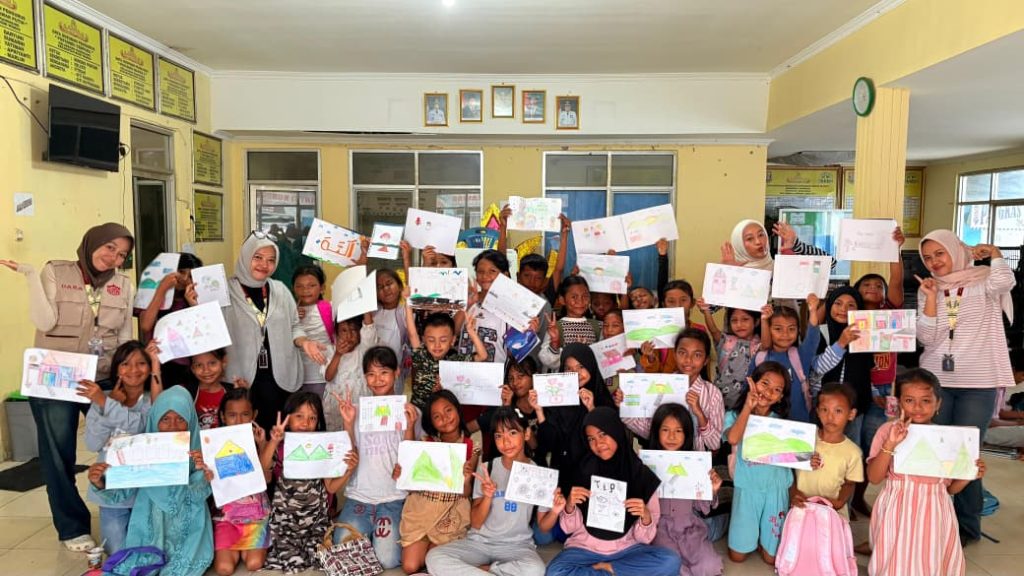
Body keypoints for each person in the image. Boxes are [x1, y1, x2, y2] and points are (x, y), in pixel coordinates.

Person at [1, 222, 135, 551]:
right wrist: (30, 276)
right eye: (110, 248)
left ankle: (123, 511)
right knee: (59, 454)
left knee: (120, 443)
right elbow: (45, 322)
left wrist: (125, 379)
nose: (114, 258)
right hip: (56, 377)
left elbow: (124, 336)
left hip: (102, 376)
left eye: (122, 254)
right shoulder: (56, 272)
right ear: (93, 243)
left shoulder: (123, 285)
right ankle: (72, 527)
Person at [915, 230, 1014, 543]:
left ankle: (967, 527)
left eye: (939, 253)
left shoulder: (983, 280)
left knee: (965, 454)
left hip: (977, 382)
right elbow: (926, 338)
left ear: (956, 250)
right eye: (927, 257)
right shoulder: (929, 287)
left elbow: (1005, 282)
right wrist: (931, 299)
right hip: (936, 381)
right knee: (936, 451)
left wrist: (995, 254)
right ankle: (934, 522)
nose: (934, 262)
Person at [866, 368, 986, 576]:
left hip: (935, 511)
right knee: (894, 561)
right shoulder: (888, 431)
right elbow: (874, 477)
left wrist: (970, 474)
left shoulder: (947, 438)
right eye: (909, 400)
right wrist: (890, 445)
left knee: (929, 561)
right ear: (899, 402)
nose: (917, 408)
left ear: (938, 404)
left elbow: (950, 489)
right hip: (897, 509)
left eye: (926, 401)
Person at [87, 386, 214, 575]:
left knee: (180, 569)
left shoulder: (199, 452)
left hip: (189, 527)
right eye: (165, 419)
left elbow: (199, 495)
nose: (173, 426)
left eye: (181, 419)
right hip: (149, 524)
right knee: (138, 565)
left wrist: (202, 472)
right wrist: (99, 481)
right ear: (154, 421)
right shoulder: (141, 452)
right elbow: (120, 493)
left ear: (191, 421)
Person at [425, 406, 561, 576]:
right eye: (498, 436)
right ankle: (497, 572)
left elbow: (543, 526)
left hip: (517, 546)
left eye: (512, 433)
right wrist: (487, 496)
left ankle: (484, 571)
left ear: (526, 434)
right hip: (479, 543)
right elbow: (476, 523)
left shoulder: (538, 473)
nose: (506, 442)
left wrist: (555, 511)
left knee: (535, 570)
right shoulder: (486, 468)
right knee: (434, 557)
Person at [546, 407, 682, 576]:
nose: (598, 443)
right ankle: (617, 572)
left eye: (603, 434)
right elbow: (569, 528)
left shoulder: (641, 475)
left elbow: (644, 538)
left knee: (670, 561)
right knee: (555, 572)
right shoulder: (580, 472)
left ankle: (611, 569)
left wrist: (645, 516)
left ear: (616, 432)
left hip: (628, 550)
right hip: (584, 549)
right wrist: (569, 506)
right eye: (591, 439)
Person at [222, 233, 326, 434]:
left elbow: (295, 325)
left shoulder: (280, 290)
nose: (264, 265)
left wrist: (304, 342)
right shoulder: (226, 291)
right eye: (258, 257)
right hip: (241, 380)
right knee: (246, 437)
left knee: (277, 435)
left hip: (280, 380)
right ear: (245, 256)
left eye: (271, 260)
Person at [334, 346, 422, 570]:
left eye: (384, 372)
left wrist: (410, 426)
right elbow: (349, 456)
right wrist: (347, 423)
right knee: (343, 553)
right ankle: (368, 536)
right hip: (359, 497)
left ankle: (372, 539)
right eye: (371, 374)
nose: (378, 379)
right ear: (365, 377)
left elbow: (411, 458)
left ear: (396, 373)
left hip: (394, 498)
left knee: (388, 560)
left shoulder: (409, 411)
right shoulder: (355, 410)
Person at [81, 340, 162, 554]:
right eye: (125, 364)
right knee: (117, 552)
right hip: (111, 488)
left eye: (141, 363)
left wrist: (107, 405)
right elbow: (93, 443)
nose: (133, 370)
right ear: (116, 369)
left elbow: (141, 427)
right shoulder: (102, 400)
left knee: (148, 551)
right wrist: (106, 405)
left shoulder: (152, 400)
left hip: (144, 490)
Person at [261, 392, 355, 573]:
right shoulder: (280, 447)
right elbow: (264, 468)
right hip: (285, 525)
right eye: (299, 416)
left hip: (316, 523)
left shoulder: (322, 448)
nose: (306, 423)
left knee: (322, 559)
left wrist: (349, 470)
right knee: (294, 563)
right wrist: (273, 441)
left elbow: (331, 487)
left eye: (312, 418)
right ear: (288, 418)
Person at [398, 390, 480, 574]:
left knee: (434, 562)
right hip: (421, 511)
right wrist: (403, 471)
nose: (445, 418)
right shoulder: (426, 442)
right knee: (410, 566)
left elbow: (466, 492)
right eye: (437, 416)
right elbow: (408, 468)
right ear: (431, 422)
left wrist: (467, 479)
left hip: (449, 513)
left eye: (448, 410)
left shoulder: (472, 447)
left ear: (457, 409)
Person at [726, 362, 792, 565]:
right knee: (737, 557)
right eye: (765, 383)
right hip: (747, 488)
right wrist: (748, 407)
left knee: (771, 559)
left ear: (781, 397)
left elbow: (794, 454)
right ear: (752, 383)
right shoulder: (734, 416)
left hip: (776, 489)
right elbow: (733, 439)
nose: (769, 392)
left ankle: (764, 538)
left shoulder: (782, 422)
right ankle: (751, 535)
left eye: (777, 390)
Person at [646, 403, 724, 576]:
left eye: (678, 431)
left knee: (710, 565)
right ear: (656, 432)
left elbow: (701, 506)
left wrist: (712, 490)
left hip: (690, 527)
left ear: (687, 434)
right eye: (665, 430)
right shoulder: (647, 463)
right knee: (673, 565)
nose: (671, 436)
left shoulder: (695, 464)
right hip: (660, 529)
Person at [620, 328, 724, 452]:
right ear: (675, 354)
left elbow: (715, 444)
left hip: (695, 460)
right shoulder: (660, 385)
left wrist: (700, 414)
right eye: (682, 353)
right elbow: (648, 429)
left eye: (697, 355)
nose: (688, 360)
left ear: (706, 360)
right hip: (661, 458)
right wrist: (625, 404)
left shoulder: (713, 394)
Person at [534, 344, 616, 496]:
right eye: (569, 368)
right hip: (563, 478)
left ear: (591, 366)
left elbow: (611, 442)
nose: (576, 373)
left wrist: (592, 409)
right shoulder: (556, 401)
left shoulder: (603, 400)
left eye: (581, 367)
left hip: (597, 480)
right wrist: (539, 410)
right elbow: (547, 444)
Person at [211, 388, 270, 575]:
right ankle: (234, 547)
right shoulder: (213, 443)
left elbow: (267, 478)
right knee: (224, 568)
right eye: (232, 415)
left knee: (254, 563)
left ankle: (248, 548)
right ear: (223, 416)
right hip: (226, 518)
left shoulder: (259, 441)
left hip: (255, 516)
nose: (238, 421)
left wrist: (263, 445)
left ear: (254, 415)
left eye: (245, 414)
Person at [789, 383, 864, 524]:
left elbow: (849, 483)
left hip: (832, 515)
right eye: (824, 409)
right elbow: (789, 470)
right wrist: (793, 493)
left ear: (851, 414)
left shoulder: (853, 452)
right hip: (801, 508)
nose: (830, 416)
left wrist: (839, 502)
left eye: (838, 411)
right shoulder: (804, 439)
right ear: (817, 411)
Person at [406, 299, 487, 412]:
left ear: (452, 340)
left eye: (443, 340)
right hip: (417, 412)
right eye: (431, 340)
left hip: (442, 415)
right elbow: (412, 333)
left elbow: (482, 356)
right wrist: (408, 302)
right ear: (424, 340)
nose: (437, 345)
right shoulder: (420, 354)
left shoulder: (455, 361)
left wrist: (472, 332)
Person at [136, 252, 202, 387]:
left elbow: (201, 333)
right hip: (157, 362)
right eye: (181, 272)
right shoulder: (150, 294)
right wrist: (162, 289)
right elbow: (145, 326)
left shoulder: (196, 297)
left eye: (190, 276)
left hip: (187, 366)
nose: (184, 278)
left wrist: (193, 305)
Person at [699, 302, 768, 410]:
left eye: (745, 319)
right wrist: (706, 311)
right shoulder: (727, 342)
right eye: (734, 320)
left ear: (756, 321)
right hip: (718, 401)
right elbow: (713, 330)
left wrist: (765, 319)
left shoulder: (758, 345)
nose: (739, 324)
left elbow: (767, 345)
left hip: (745, 405)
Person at [322, 312, 377, 431]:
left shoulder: (363, 350)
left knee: (358, 432)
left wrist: (365, 307)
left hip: (359, 403)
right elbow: (328, 377)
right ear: (336, 333)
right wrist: (338, 355)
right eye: (344, 330)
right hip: (337, 406)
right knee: (338, 435)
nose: (349, 335)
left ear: (360, 332)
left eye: (353, 330)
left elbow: (369, 329)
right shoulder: (330, 351)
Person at [539, 276, 603, 368]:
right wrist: (555, 343)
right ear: (562, 300)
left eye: (585, 296)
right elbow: (546, 361)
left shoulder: (598, 327)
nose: (580, 301)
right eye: (574, 297)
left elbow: (603, 359)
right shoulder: (556, 328)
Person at [292, 265, 335, 397]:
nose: (305, 290)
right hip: (296, 378)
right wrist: (290, 317)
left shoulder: (330, 308)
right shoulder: (289, 311)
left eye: (311, 285)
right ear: (293, 288)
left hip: (324, 376)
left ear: (322, 288)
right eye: (299, 286)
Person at [374, 268, 411, 394]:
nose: (386, 289)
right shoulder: (372, 312)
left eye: (389, 284)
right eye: (380, 287)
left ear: (400, 286)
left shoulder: (405, 313)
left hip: (394, 373)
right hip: (372, 372)